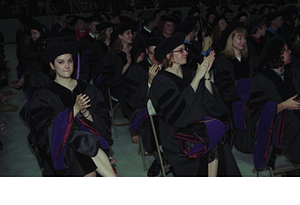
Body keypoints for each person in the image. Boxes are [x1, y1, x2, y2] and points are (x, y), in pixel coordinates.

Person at [149, 32, 241, 176]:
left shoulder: (190, 74)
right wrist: (198, 77)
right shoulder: (161, 81)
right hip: (177, 136)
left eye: (185, 49)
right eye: (181, 50)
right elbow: (176, 114)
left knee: (219, 135)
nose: (186, 52)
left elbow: (212, 104)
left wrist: (206, 76)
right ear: (169, 56)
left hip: (198, 126)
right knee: (212, 143)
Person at [29, 39, 116, 177]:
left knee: (88, 165)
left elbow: (104, 126)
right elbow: (45, 134)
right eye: (61, 62)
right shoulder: (43, 95)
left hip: (91, 145)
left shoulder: (89, 90)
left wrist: (86, 113)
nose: (67, 66)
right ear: (52, 65)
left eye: (70, 61)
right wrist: (73, 110)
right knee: (87, 168)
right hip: (63, 153)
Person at [248, 37, 300, 168]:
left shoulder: (293, 73)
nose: (290, 52)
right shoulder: (261, 79)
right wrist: (283, 105)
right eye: (287, 50)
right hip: (278, 122)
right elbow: (257, 110)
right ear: (279, 56)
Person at [125, 37, 163, 175]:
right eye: (152, 53)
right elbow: (132, 98)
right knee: (154, 125)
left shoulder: (169, 66)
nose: (155, 57)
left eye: (158, 53)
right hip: (147, 111)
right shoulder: (137, 69)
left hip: (168, 110)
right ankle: (159, 160)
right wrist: (149, 82)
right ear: (146, 51)